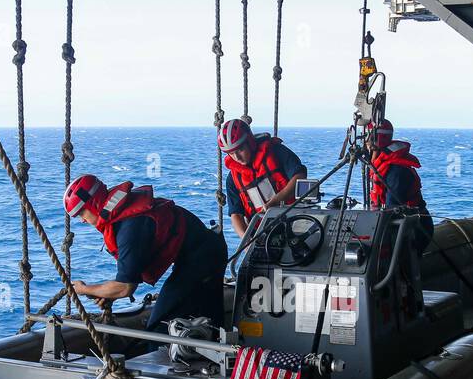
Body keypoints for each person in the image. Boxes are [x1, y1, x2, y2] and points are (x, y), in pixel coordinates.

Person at [64, 174, 228, 332]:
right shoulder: (125, 217)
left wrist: (84, 289)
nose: (83, 220)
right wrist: (108, 294)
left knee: (159, 327)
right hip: (208, 251)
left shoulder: (129, 228)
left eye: (82, 213)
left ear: (95, 204)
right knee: (209, 316)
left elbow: (125, 287)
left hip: (202, 259)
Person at [218, 118, 308, 237]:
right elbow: (236, 214)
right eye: (231, 153)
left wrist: (276, 201)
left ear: (250, 142)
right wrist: (247, 243)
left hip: (296, 223)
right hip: (262, 233)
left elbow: (300, 176)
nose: (237, 157)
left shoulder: (276, 152)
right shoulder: (233, 179)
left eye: (240, 149)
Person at [366, 119, 434, 253]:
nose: (364, 142)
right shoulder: (382, 165)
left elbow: (393, 211)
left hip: (415, 228)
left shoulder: (396, 172)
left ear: (375, 138)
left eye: (367, 136)